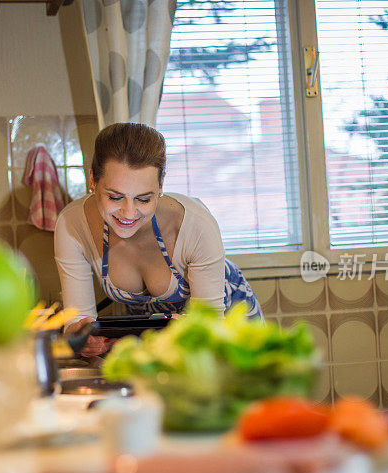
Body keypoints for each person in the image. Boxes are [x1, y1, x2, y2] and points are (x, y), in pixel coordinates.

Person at [54, 122, 262, 356]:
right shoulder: (72, 225)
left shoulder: (195, 224)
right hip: (158, 341)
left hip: (225, 326)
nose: (129, 213)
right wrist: (83, 338)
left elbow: (209, 326)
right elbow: (80, 319)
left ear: (161, 184)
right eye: (114, 197)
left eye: (143, 199)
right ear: (92, 180)